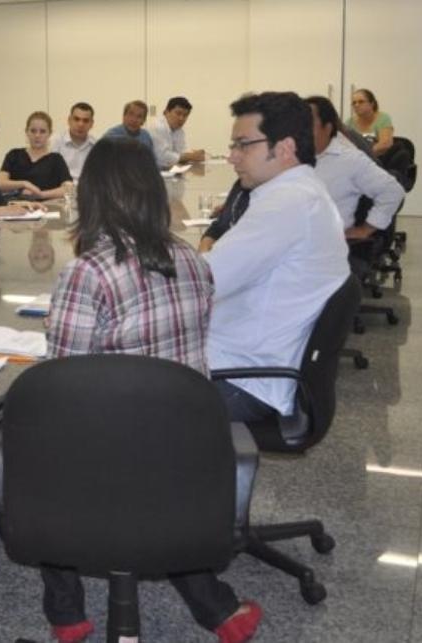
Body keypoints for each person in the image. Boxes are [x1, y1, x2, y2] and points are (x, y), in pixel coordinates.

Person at [41, 137, 259, 643]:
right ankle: (217, 608)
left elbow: (61, 390)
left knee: (35, 443)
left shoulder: (88, 273)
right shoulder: (192, 259)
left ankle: (66, 613)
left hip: (113, 459)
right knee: (146, 483)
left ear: (93, 193)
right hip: (187, 450)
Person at [206, 91, 349, 422]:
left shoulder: (287, 203)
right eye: (232, 146)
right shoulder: (301, 193)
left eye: (243, 145)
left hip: (244, 379)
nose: (232, 157)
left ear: (284, 148)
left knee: (113, 381)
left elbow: (203, 282)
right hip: (251, 357)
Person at [306, 95, 405, 241]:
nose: (299, 130)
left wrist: (366, 229)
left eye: (361, 102)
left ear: (327, 127)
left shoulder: (349, 155)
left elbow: (392, 190)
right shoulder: (294, 155)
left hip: (324, 245)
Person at [0, 111, 73, 199]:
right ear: (26, 132)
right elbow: (0, 183)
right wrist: (24, 184)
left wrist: (41, 194)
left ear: (50, 133)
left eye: (42, 131)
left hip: (47, 209)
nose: (37, 135)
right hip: (16, 208)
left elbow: (68, 188)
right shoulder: (14, 155)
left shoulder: (56, 159)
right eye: (33, 131)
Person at [149, 96, 205, 169]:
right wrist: (189, 156)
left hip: (168, 171)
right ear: (166, 112)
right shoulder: (158, 127)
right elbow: (162, 157)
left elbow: (181, 151)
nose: (181, 118)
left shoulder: (178, 130)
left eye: (185, 115)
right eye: (178, 113)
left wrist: (194, 154)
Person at [50, 102, 96, 181]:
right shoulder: (54, 142)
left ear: (91, 124)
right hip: (60, 189)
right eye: (76, 119)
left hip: (87, 190)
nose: (80, 124)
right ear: (69, 120)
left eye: (85, 121)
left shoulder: (96, 146)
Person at [346, 88, 394, 157]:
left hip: (378, 159)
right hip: (356, 160)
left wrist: (363, 153)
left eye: (361, 102)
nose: (356, 105)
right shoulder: (349, 122)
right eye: (354, 103)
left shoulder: (383, 118)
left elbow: (385, 144)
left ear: (372, 104)